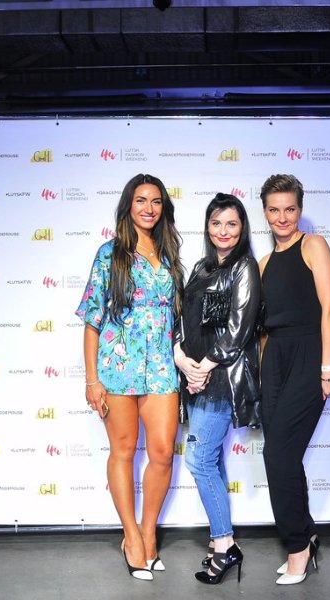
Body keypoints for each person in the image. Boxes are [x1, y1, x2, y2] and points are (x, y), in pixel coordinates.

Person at [76, 174, 184, 581]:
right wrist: (92, 380)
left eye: (156, 201)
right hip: (118, 369)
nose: (148, 208)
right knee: (123, 451)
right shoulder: (110, 254)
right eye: (141, 200)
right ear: (128, 205)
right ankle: (131, 538)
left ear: (163, 208)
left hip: (161, 369)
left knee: (162, 452)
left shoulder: (169, 254)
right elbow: (92, 320)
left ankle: (148, 531)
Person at [173, 193, 261, 585]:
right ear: (208, 227)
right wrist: (181, 358)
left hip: (222, 381)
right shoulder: (201, 267)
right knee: (211, 460)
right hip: (194, 378)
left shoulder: (246, 268)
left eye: (231, 224)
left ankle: (225, 545)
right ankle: (220, 541)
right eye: (216, 223)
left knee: (199, 461)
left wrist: (204, 367)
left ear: (242, 228)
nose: (223, 231)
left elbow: (239, 329)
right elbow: (184, 320)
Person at [258, 174, 330, 585]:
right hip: (274, 360)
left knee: (279, 455)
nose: (282, 217)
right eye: (274, 209)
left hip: (308, 355)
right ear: (264, 212)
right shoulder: (263, 264)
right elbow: (262, 328)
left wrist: (327, 368)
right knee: (281, 455)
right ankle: (306, 532)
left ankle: (297, 549)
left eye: (289, 209)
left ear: (300, 209)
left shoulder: (313, 245)